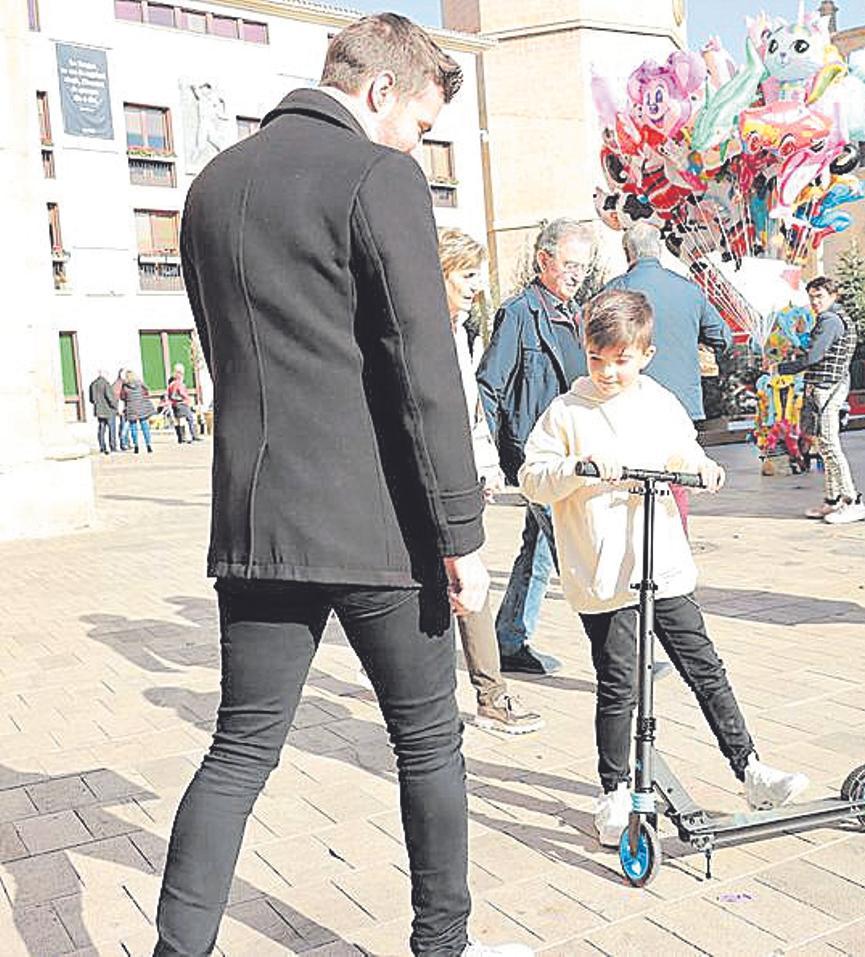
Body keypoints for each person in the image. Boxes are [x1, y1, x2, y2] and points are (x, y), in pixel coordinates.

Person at [158, 16, 528, 957]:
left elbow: (223, 354)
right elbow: (423, 365)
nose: (418, 144)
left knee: (239, 748)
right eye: (420, 123)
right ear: (379, 95)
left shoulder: (210, 186)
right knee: (427, 740)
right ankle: (442, 945)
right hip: (379, 528)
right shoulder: (377, 174)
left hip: (255, 521)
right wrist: (462, 530)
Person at [518, 289, 810, 846]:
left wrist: (702, 467)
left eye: (621, 360)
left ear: (645, 354)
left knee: (705, 667)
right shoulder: (566, 411)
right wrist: (579, 469)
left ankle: (750, 770)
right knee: (619, 684)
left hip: (663, 562)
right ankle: (614, 791)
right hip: (604, 574)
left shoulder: (658, 401)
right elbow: (534, 476)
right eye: (597, 358)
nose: (607, 371)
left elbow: (684, 451)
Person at [476, 219, 591, 676]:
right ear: (544, 260)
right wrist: (484, 458)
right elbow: (489, 385)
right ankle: (617, 647)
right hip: (536, 455)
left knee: (539, 548)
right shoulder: (521, 312)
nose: (577, 273)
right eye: (569, 264)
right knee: (574, 547)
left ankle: (509, 639)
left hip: (571, 451)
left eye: (583, 266)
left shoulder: (577, 314)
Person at [439, 227, 543, 733]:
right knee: (464, 579)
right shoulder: (428, 329)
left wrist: (484, 463)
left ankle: (487, 694)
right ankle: (485, 697)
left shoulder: (460, 328)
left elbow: (470, 408)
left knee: (464, 579)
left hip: (459, 471)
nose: (477, 284)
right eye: (467, 273)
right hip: (436, 478)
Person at [602, 222, 730, 531]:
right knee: (676, 480)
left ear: (627, 252)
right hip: (681, 402)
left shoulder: (615, 289)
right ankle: (676, 547)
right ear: (658, 250)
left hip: (626, 402)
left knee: (630, 485)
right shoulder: (688, 289)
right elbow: (723, 337)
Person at [784, 277, 865, 524]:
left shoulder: (830, 320)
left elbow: (814, 357)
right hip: (832, 385)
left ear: (833, 296)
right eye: (811, 297)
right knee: (824, 445)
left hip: (827, 388)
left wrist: (781, 368)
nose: (815, 302)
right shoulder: (837, 318)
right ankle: (832, 501)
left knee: (829, 445)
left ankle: (853, 501)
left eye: (819, 296)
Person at [166, 363, 201, 444]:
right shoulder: (178, 383)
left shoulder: (171, 383)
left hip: (174, 404)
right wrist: (185, 399)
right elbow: (181, 393)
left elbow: (169, 394)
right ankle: (193, 436)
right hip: (182, 403)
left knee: (179, 420)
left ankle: (181, 438)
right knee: (190, 419)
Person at [122, 371, 155, 454]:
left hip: (131, 408)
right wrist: (143, 397)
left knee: (133, 428)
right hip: (141, 407)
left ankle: (136, 446)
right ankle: (148, 445)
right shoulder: (140, 383)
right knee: (145, 426)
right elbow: (147, 390)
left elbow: (122, 396)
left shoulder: (125, 386)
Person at [88, 370, 119, 455]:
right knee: (111, 429)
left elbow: (91, 399)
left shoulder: (93, 384)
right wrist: (115, 406)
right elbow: (110, 397)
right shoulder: (106, 384)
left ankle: (102, 447)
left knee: (101, 428)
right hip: (108, 410)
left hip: (99, 410)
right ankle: (113, 446)